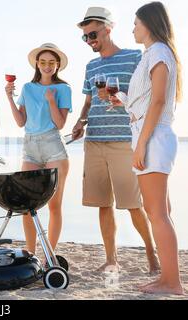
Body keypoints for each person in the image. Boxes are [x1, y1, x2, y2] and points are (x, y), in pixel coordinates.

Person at [71, 7, 160, 273]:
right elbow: (87, 102)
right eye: (85, 37)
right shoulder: (91, 65)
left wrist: (120, 96)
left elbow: (148, 94)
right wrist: (80, 122)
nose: (90, 40)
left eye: (93, 34)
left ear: (108, 28)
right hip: (95, 140)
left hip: (124, 140)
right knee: (102, 204)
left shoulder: (135, 57)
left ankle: (151, 254)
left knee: (133, 204)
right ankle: (111, 259)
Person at [109, 2, 183, 295]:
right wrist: (124, 100)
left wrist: (140, 146)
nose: (133, 28)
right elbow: (146, 100)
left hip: (153, 139)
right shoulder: (152, 54)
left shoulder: (160, 53)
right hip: (149, 135)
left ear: (150, 24)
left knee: (157, 213)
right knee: (161, 210)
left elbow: (158, 102)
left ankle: (171, 282)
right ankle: (169, 277)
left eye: (136, 23)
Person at [5, 43, 71, 253]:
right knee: (27, 205)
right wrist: (9, 97)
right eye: (43, 62)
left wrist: (51, 100)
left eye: (51, 62)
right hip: (30, 146)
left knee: (54, 205)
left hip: (53, 145)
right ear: (37, 64)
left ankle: (49, 254)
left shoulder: (63, 88)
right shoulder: (27, 88)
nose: (47, 66)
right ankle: (31, 252)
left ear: (57, 64)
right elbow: (20, 121)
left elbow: (60, 124)